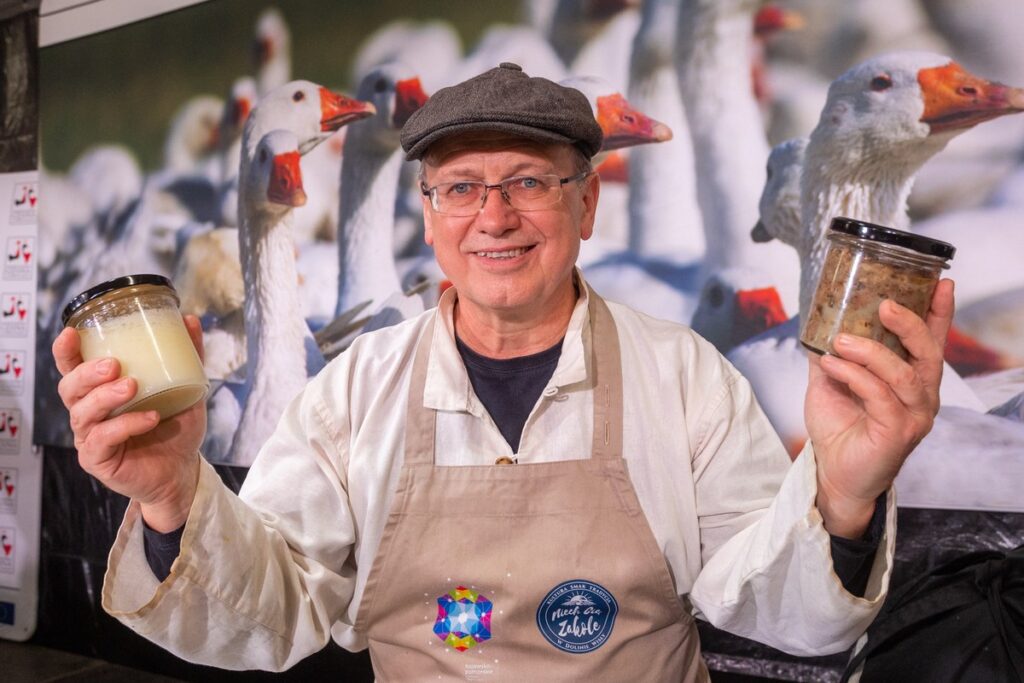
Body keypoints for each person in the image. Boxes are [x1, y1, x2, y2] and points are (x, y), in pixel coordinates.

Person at [52, 63, 952, 681]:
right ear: (431, 215)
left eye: (529, 181)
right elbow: (274, 611)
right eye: (461, 187)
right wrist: (175, 499)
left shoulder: (681, 373)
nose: (495, 215)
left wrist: (842, 496)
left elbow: (780, 607)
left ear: (588, 201)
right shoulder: (355, 391)